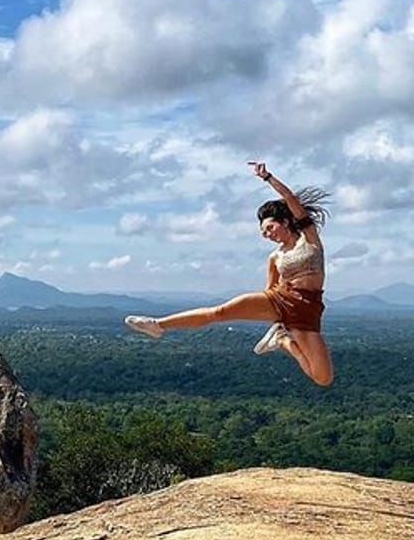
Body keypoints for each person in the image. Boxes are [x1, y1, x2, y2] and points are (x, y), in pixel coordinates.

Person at [125, 162, 334, 387]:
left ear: (284, 221)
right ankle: (158, 324)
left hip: (308, 312)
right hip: (280, 299)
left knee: (322, 378)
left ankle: (282, 340)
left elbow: (290, 198)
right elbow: (270, 287)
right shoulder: (275, 257)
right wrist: (270, 310)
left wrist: (268, 178)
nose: (267, 235)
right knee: (220, 312)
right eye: (263, 233)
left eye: (269, 228)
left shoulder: (310, 239)